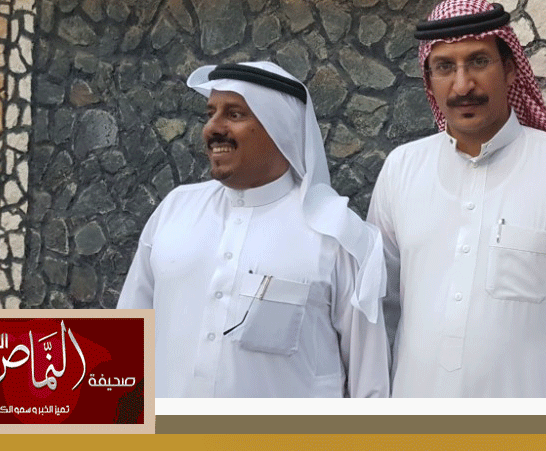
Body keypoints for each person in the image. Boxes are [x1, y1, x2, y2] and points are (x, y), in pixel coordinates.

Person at [367, 0, 546, 397]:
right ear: (429, 78)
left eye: (478, 61)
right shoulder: (401, 169)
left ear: (510, 70)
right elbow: (376, 310)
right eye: (445, 67)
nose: (463, 85)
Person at [118, 61, 390, 398]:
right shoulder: (174, 210)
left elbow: (371, 383)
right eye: (210, 114)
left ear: (280, 129)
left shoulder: (335, 233)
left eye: (234, 114)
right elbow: (125, 341)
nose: (212, 128)